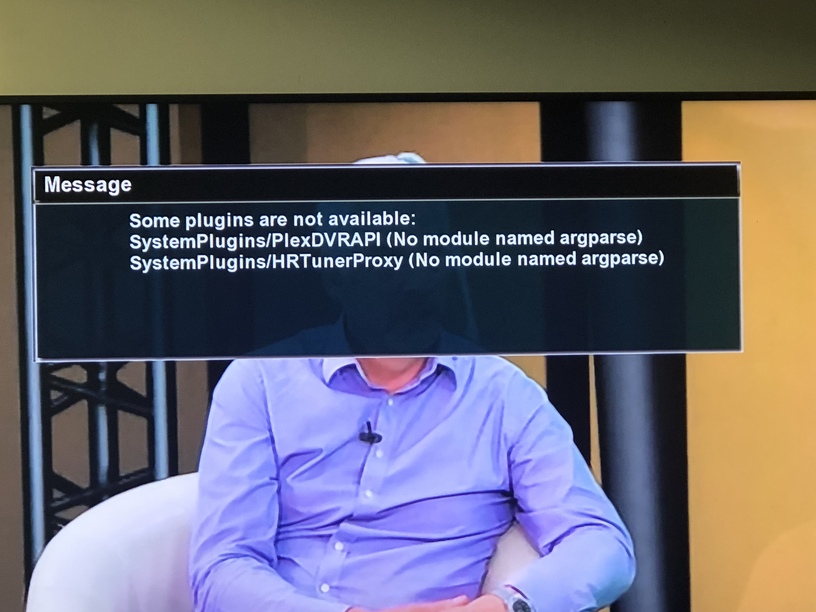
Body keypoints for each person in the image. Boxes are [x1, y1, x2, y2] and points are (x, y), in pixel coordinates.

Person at [189, 356, 635, 612]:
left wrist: (504, 606)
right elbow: (222, 567)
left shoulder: (503, 395)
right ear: (335, 276)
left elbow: (601, 543)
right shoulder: (261, 380)